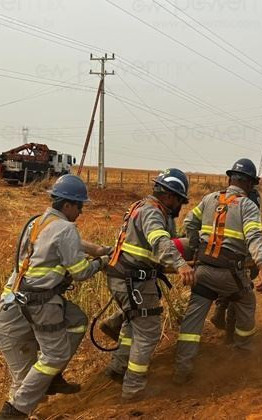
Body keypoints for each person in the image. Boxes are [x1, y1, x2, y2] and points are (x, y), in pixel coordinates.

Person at [0, 174, 105, 420]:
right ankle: (14, 412)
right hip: (38, 302)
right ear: (67, 205)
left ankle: (52, 378)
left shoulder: (38, 221)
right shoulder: (66, 229)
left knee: (77, 320)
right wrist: (102, 261)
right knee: (46, 363)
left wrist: (93, 248)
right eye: (79, 206)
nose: (81, 211)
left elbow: (57, 241)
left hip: (17, 299)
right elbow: (81, 272)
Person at [173, 158, 262, 383]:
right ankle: (242, 354)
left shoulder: (209, 199)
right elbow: (255, 237)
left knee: (193, 320)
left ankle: (182, 369)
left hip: (203, 271)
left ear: (231, 179)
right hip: (230, 275)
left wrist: (196, 246)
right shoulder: (248, 206)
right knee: (247, 302)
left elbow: (189, 222)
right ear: (248, 184)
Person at [103, 168, 195, 401]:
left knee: (133, 325)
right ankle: (133, 388)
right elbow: (159, 241)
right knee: (148, 332)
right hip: (134, 280)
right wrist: (181, 264)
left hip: (122, 276)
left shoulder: (139, 206)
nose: (179, 207)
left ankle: (118, 367)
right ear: (169, 197)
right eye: (179, 201)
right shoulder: (154, 213)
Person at [209, 187, 262, 343]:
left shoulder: (222, 202)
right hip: (237, 258)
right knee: (240, 293)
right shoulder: (249, 202)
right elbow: (253, 237)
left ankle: (220, 310)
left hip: (215, 254)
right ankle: (233, 338)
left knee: (229, 284)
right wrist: (259, 262)